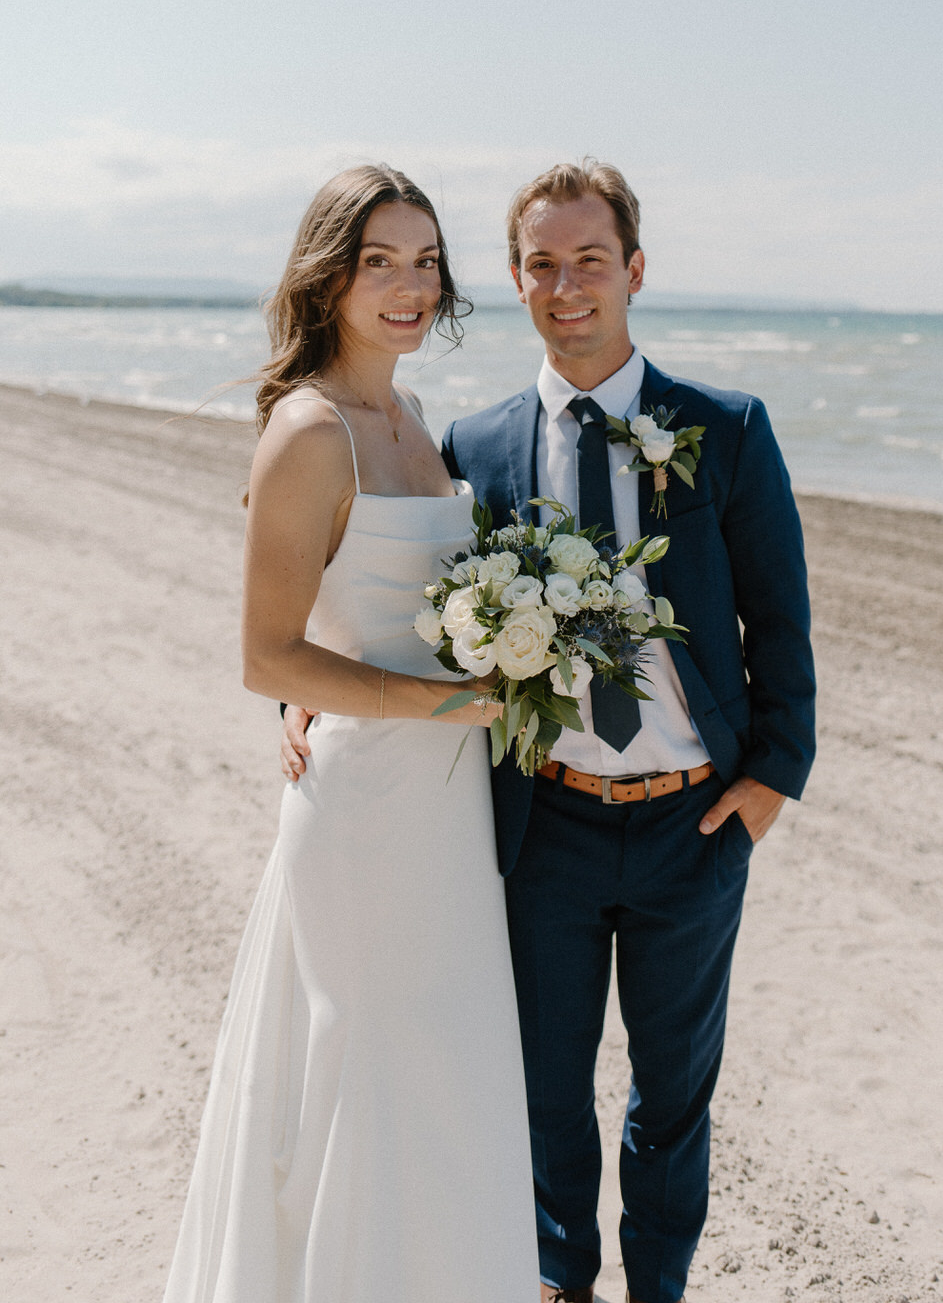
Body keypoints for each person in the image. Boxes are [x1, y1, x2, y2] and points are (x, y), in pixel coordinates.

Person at [285, 159, 817, 1303]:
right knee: (541, 1084)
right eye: (539, 263)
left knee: (673, 1090)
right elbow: (406, 605)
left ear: (633, 270)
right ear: (517, 281)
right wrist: (301, 694)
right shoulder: (468, 447)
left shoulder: (722, 430)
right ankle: (557, 1281)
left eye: (588, 260)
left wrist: (772, 778)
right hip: (540, 824)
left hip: (693, 821)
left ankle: (657, 1287)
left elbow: (778, 619)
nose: (564, 284)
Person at [163, 165, 539, 1302]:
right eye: (381, 260)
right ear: (329, 275)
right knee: (366, 1076)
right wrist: (447, 704)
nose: (409, 286)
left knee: (442, 1076)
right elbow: (268, 655)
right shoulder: (308, 431)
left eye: (425, 261)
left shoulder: (415, 419)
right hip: (367, 809)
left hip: (447, 807)